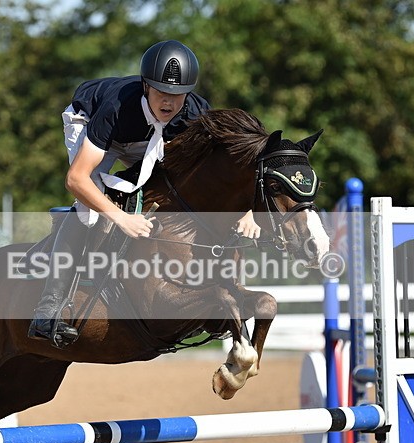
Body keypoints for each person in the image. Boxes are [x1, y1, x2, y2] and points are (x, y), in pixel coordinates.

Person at [28, 39, 260, 348]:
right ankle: (48, 309)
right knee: (90, 203)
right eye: (162, 92)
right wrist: (122, 219)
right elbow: (76, 179)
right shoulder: (116, 107)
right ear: (145, 86)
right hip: (91, 122)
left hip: (146, 136)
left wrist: (248, 210)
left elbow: (225, 172)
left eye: (178, 95)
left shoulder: (195, 113)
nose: (169, 102)